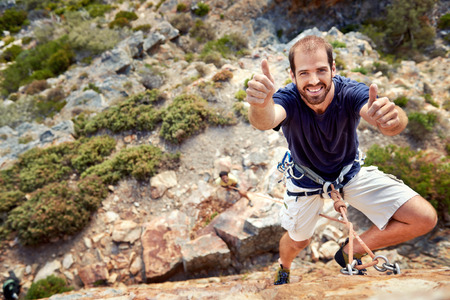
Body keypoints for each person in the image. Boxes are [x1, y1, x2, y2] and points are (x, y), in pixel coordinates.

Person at [245, 35, 437, 285]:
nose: (314, 81)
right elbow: (266, 119)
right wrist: (260, 104)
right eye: (304, 73)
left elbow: (380, 116)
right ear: (292, 76)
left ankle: (350, 250)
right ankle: (284, 267)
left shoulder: (349, 91)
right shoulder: (288, 99)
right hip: (305, 181)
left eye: (321, 70)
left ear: (333, 69)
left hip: (349, 173)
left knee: (424, 218)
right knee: (299, 240)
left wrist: (391, 119)